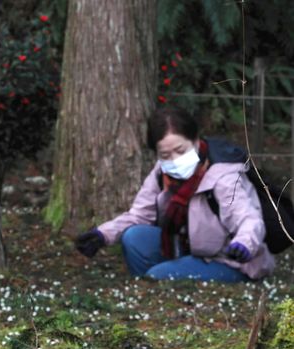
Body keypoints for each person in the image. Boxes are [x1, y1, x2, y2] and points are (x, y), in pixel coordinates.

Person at [74, 106, 274, 282]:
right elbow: (140, 215)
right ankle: (150, 289)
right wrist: (103, 234)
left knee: (158, 276)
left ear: (195, 141)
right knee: (134, 237)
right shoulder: (162, 172)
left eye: (180, 150)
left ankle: (158, 283)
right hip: (187, 248)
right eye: (165, 155)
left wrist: (243, 244)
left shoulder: (224, 176)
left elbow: (249, 219)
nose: (175, 160)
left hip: (230, 260)